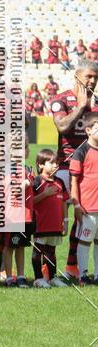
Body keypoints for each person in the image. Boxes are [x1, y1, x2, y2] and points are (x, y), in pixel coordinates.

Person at [51, 62, 98, 280]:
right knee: (55, 221)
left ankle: (73, 267)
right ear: (77, 76)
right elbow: (61, 127)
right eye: (88, 76)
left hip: (89, 171)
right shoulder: (61, 99)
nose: (92, 81)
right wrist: (80, 106)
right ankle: (46, 269)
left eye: (95, 77)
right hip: (63, 168)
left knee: (83, 219)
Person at [32, 149, 69, 288]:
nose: (55, 166)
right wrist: (45, 194)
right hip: (41, 225)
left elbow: (64, 202)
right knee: (38, 251)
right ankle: (38, 278)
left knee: (51, 252)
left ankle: (52, 277)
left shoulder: (60, 182)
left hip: (55, 225)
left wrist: (65, 221)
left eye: (57, 163)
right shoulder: (37, 182)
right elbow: (30, 202)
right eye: (51, 163)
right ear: (40, 165)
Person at [1, 136, 33, 288]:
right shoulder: (8, 169)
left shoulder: (27, 169)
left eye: (24, 147)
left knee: (21, 246)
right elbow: (11, 190)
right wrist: (24, 184)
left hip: (25, 216)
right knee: (10, 247)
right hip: (12, 216)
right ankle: (8, 276)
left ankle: (21, 275)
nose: (22, 151)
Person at [69, 111, 98, 284]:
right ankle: (84, 274)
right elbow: (74, 181)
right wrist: (76, 204)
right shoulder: (81, 151)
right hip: (87, 207)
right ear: (88, 131)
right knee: (85, 240)